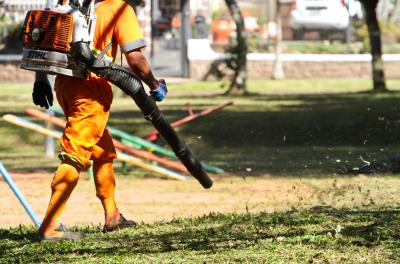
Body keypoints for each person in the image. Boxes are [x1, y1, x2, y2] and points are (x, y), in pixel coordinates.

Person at [32, 0, 167, 240]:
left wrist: (40, 79)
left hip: (65, 85)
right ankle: (50, 227)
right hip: (92, 90)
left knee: (102, 150)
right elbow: (135, 59)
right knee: (75, 154)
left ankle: (112, 215)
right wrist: (155, 85)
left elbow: (42, 41)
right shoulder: (119, 8)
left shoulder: (67, 2)